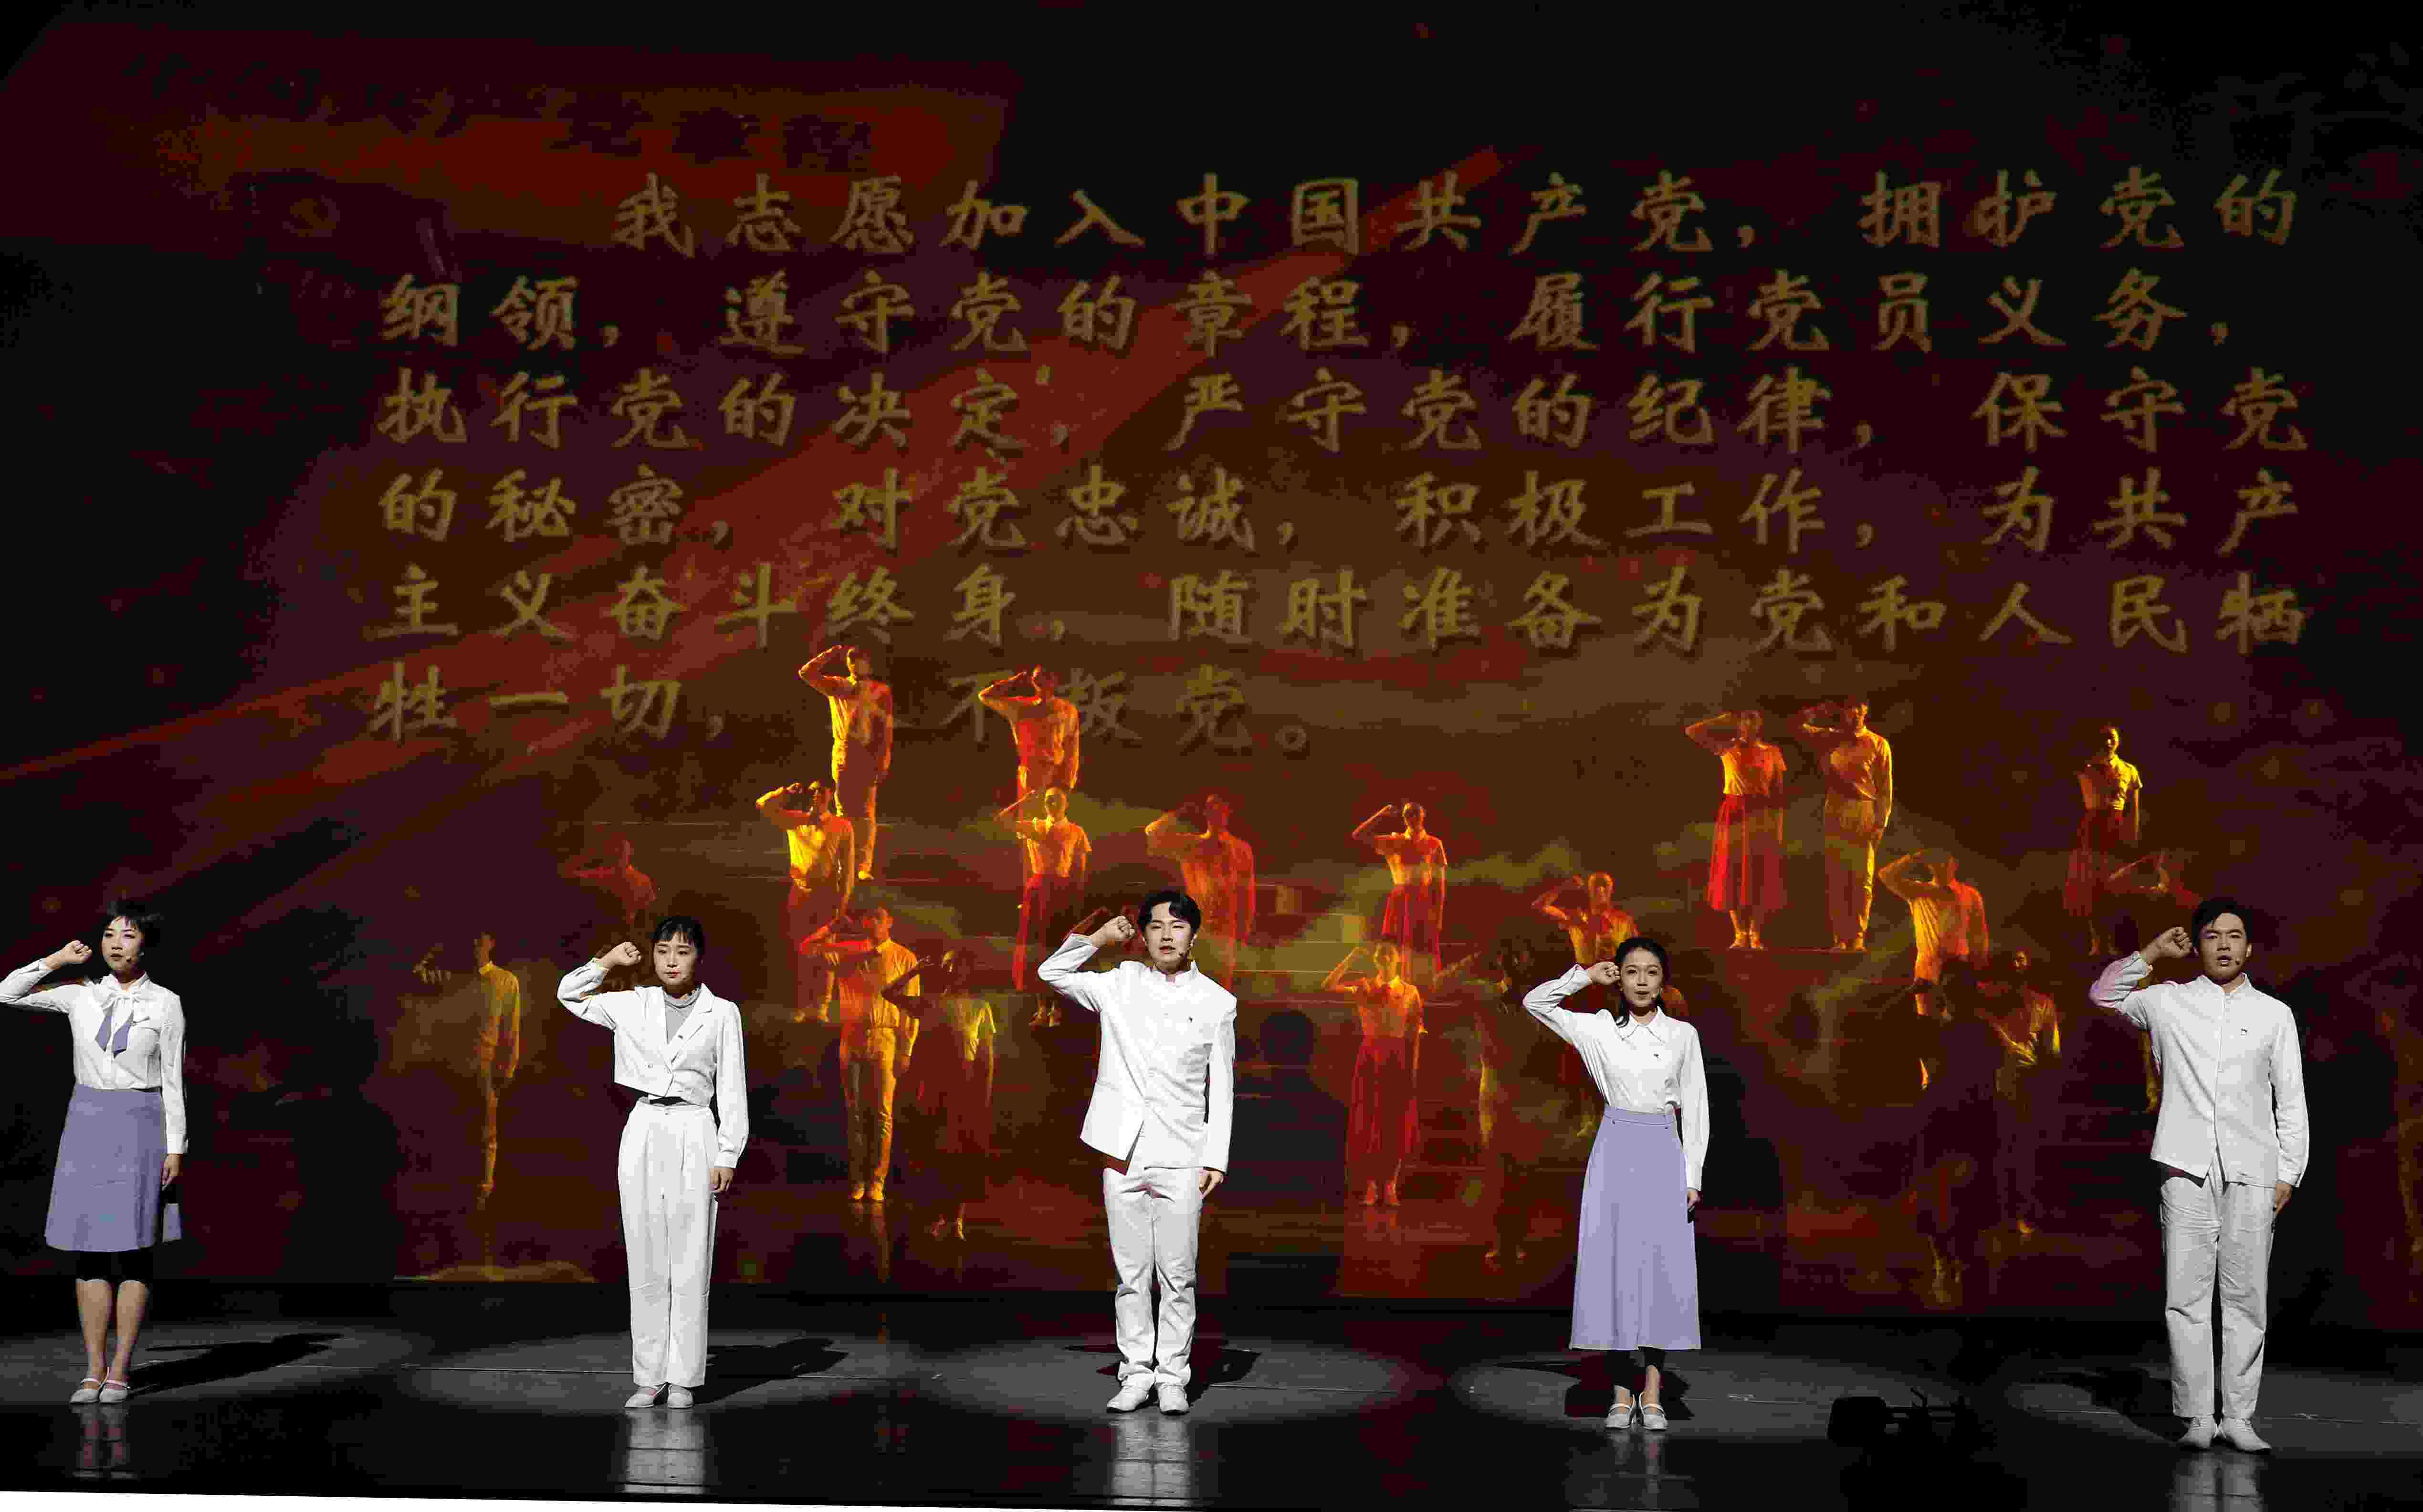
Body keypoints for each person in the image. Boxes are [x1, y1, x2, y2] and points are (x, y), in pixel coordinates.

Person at [2089, 902, 2307, 1453]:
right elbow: (2104, 995)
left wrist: (2288, 1172)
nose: (2224, 945)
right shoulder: (2168, 1001)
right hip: (2184, 1166)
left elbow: (2291, 1099)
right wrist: (2151, 953)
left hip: (2253, 1168)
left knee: (2245, 1298)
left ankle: (2238, 1415)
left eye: (2234, 936)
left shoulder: (2273, 1015)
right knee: (2185, 1298)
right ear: (2197, 945)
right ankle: (2195, 1416)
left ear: (2249, 947)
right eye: (2212, 936)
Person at [1038, 893, 1237, 1416]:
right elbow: (1051, 973)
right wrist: (1101, 938)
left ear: (1194, 935)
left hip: (1183, 1151)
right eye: (1155, 926)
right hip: (1121, 1149)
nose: (1166, 935)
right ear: (1142, 935)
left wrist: (1215, 1157)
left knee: (1178, 1276)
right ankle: (1135, 1373)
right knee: (1130, 1276)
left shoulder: (1217, 1002)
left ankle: (1172, 1377)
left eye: (1177, 925)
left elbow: (1222, 1087)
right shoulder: (1119, 982)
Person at [558, 917, 748, 1410]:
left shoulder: (721, 1012)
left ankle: (683, 1378)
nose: (670, 961)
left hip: (695, 1127)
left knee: (690, 1255)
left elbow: (732, 1087)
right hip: (644, 1126)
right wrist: (606, 962)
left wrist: (728, 1152)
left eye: (681, 952)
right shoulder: (633, 1003)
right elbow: (569, 995)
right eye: (662, 951)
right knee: (644, 1254)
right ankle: (649, 1376)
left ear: (698, 957)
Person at [2, 903, 186, 1406]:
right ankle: (93, 1369)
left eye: (127, 935)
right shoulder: (81, 995)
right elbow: (6, 992)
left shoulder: (166, 1004)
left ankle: (122, 1369)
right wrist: (58, 959)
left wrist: (176, 1147)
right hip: (87, 1122)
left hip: (142, 1123)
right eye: (108, 935)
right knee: (88, 1251)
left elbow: (174, 1080)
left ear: (146, 945)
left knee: (134, 1250)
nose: (115, 943)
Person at [1524, 938, 1707, 1431]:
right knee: (1615, 1273)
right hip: (1615, 1151)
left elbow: (1696, 1108)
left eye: (1651, 972)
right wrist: (1584, 976)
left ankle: (1653, 1392)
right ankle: (1621, 1393)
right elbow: (1535, 1003)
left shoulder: (1682, 1036)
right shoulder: (1598, 1029)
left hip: (1663, 1152)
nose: (1642, 981)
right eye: (1631, 972)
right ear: (1619, 979)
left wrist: (1692, 1177)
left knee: (1659, 1275)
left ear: (1663, 982)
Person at [1909, 962, 2009, 1306]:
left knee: (1952, 1191)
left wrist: (1912, 994)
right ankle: (1952, 1261)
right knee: (1953, 1190)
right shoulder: (1978, 1031)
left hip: (1959, 1114)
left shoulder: (1949, 1030)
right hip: (1962, 1114)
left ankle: (1952, 1261)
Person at [814, 907, 921, 1202]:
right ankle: (858, 1179)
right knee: (855, 1111)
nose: (872, 922)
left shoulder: (904, 958)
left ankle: (877, 1180)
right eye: (868, 918)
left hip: (886, 1037)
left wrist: (906, 1049)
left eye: (878, 917)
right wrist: (829, 928)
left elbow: (912, 1008)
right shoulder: (847, 951)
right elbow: (807, 951)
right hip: (852, 1035)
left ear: (889, 922)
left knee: (883, 1112)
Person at [409, 934, 522, 1213]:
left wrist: (506, 1069)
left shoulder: (506, 981)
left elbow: (511, 1031)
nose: (474, 946)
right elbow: (414, 976)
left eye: (480, 940)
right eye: (470, 941)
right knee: (452, 1130)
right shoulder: (452, 978)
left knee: (486, 1132)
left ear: (491, 943)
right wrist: (434, 948)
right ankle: (451, 1195)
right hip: (451, 1066)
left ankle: (483, 1193)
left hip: (486, 1069)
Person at [892, 947, 994, 1240]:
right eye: (950, 965)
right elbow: (890, 993)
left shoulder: (981, 1007)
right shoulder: (930, 1002)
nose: (955, 970)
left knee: (962, 1152)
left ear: (968, 970)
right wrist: (915, 971)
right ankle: (938, 1217)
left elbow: (987, 1057)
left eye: (960, 965)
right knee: (935, 1151)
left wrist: (985, 1095)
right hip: (936, 1082)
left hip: (966, 1082)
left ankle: (958, 1219)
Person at [1322, 943, 1425, 1208]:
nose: (1385, 956)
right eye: (1380, 953)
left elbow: (1415, 1033)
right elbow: (1328, 986)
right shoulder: (1365, 987)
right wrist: (1351, 958)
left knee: (1396, 1120)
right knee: (1369, 1118)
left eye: (1390, 952)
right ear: (1375, 959)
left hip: (1398, 1058)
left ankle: (1390, 1183)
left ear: (1399, 958)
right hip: (1370, 1057)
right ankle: (1370, 1184)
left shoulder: (1411, 992)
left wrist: (1413, 1068)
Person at [1789, 699, 1892, 952]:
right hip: (1836, 808)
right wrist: (1814, 712)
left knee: (1862, 878)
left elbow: (1885, 788)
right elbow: (1796, 728)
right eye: (1850, 709)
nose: (1855, 714)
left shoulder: (1878, 744)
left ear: (1866, 711)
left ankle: (1858, 936)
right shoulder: (1831, 738)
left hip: (1864, 809)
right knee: (1837, 877)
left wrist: (1881, 823)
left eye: (1859, 709)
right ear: (1844, 712)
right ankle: (1840, 938)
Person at [1684, 711, 1788, 949]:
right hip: (1734, 812)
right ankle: (1740, 933)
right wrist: (1723, 720)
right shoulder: (1728, 748)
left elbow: (1779, 793)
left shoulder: (1772, 752)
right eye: (1743, 724)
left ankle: (1756, 933)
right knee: (1733, 870)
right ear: (1738, 726)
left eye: (1753, 724)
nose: (1748, 728)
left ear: (1759, 727)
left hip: (1762, 813)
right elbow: (1692, 732)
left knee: (1759, 873)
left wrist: (1779, 826)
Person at [757, 782, 855, 1027]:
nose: (816, 795)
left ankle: (821, 1006)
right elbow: (762, 806)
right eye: (812, 791)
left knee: (826, 951)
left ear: (831, 795)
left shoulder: (842, 826)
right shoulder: (796, 820)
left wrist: (843, 905)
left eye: (821, 790)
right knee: (801, 950)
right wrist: (784, 793)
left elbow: (848, 870)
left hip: (827, 895)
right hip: (800, 893)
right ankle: (802, 1005)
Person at [797, 645, 895, 882]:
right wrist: (829, 655)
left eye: (859, 659)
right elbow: (806, 673)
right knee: (844, 811)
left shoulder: (880, 691)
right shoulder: (839, 686)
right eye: (850, 659)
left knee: (866, 812)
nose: (854, 663)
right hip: (843, 752)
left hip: (868, 752)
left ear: (869, 663)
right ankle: (845, 863)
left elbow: (886, 728)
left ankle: (863, 866)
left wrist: (884, 759)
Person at [1143, 795, 1257, 991]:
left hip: (1226, 930)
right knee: (1193, 987)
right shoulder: (1192, 845)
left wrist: (1244, 932)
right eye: (1212, 808)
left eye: (1221, 808)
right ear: (1205, 813)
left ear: (1229, 812)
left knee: (1221, 991)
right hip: (1197, 927)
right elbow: (1153, 833)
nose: (1217, 813)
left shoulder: (1241, 850)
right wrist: (1179, 814)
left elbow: (1247, 894)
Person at [1001, 787, 1092, 1029]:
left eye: (1058, 799)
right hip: (1038, 891)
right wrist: (1024, 800)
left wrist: (1077, 898)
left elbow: (1081, 869)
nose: (1053, 803)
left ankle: (1058, 1009)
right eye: (1049, 800)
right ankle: (1042, 1008)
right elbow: (1002, 821)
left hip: (1064, 892)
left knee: (1059, 947)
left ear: (1066, 804)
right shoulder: (1035, 826)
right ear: (1044, 804)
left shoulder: (1076, 831)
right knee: (1037, 948)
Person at [2066, 723, 2145, 958]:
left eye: (2112, 738)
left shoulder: (2129, 770)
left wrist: (2133, 835)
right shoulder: (2086, 768)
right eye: (2104, 738)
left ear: (2119, 740)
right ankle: (2096, 941)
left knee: (2114, 885)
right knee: (2090, 885)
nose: (2108, 742)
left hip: (2117, 828)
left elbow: (2134, 808)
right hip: (2092, 828)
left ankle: (2112, 941)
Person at [1352, 802, 1448, 986]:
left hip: (1424, 901)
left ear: (1423, 815)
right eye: (1408, 814)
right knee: (1397, 947)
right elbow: (1359, 835)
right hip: (1400, 900)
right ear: (1403, 818)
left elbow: (1440, 885)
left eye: (1416, 813)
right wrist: (1381, 814)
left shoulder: (1435, 844)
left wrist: (1439, 916)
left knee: (1423, 948)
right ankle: (1397, 989)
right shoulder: (1395, 841)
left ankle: (1424, 990)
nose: (1412, 817)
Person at [1877, 850, 1989, 987]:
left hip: (1959, 970)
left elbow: (1980, 936)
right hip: (1926, 971)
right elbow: (1885, 875)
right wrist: (1914, 858)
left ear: (1955, 865)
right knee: (1927, 1002)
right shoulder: (1917, 891)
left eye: (1945, 861)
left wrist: (1980, 973)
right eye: (1937, 862)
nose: (1941, 866)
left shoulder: (1971, 895)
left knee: (1957, 1002)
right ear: (1929, 866)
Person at [979, 665, 1081, 798]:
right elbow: (985, 696)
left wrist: (1068, 782)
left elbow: (1072, 748)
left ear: (1054, 680)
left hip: (1056, 776)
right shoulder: (1021, 707)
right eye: (1038, 678)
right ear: (1032, 681)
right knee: (1029, 811)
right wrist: (1013, 681)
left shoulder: (1067, 710)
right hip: (1030, 777)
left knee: (1052, 812)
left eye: (1047, 677)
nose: (1042, 682)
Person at [560, 835, 659, 940]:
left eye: (622, 850)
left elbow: (648, 911)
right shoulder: (603, 875)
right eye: (618, 850)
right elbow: (574, 874)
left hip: (627, 933)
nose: (620, 853)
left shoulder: (642, 879)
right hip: (604, 932)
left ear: (630, 852)